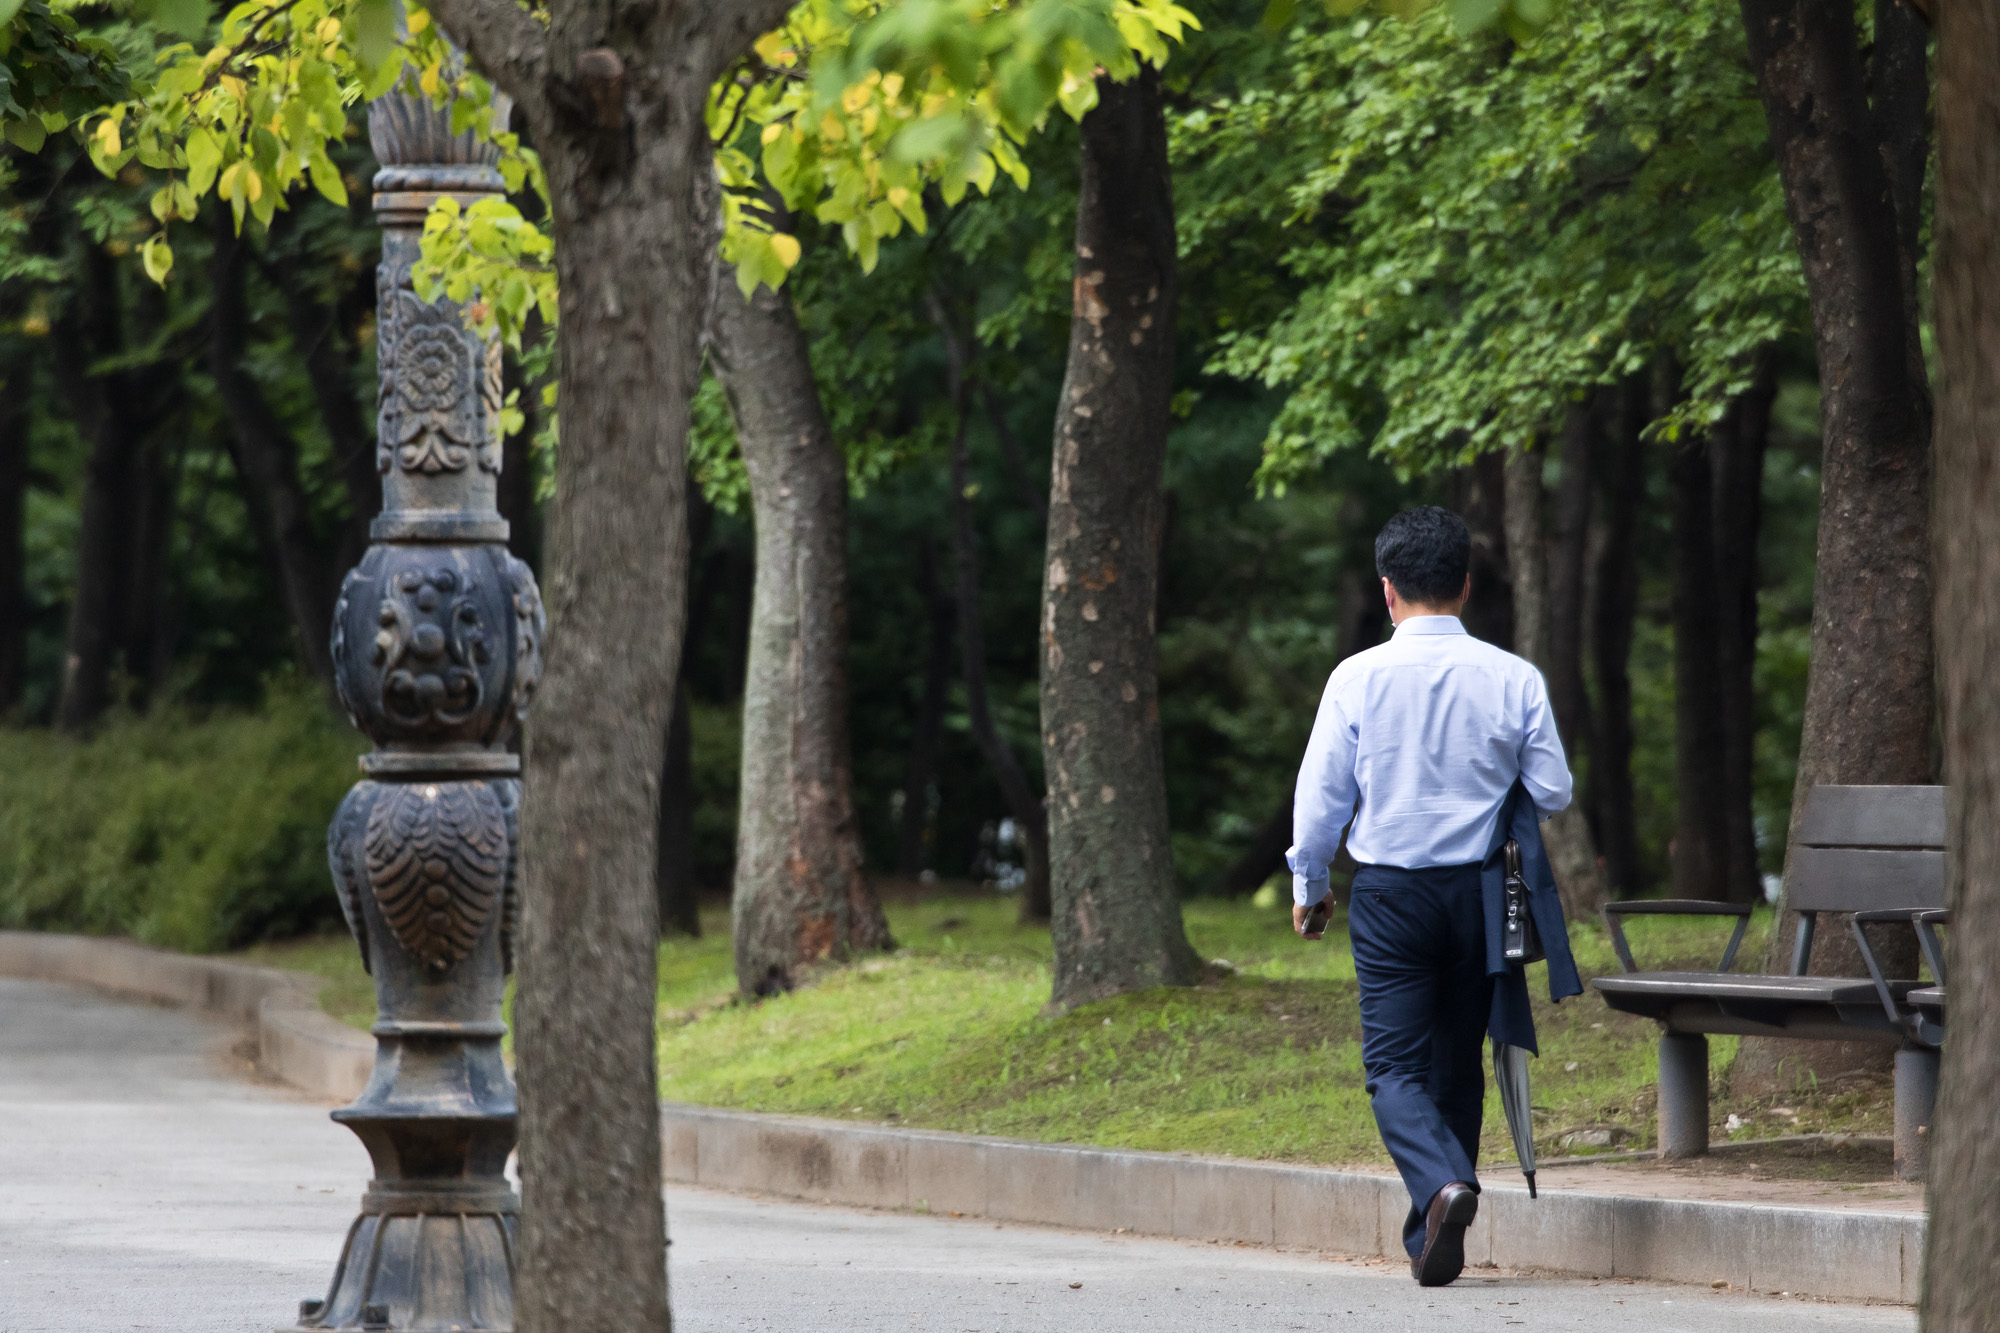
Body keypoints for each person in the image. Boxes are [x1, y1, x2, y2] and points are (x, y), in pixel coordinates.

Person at [1287, 505, 1577, 1287]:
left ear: (1387, 591)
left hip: (1390, 895)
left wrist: (1310, 885)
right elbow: (1553, 788)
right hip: (1483, 892)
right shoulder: (1513, 677)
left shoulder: (1355, 677)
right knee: (1455, 1063)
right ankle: (1432, 1228)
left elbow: (1321, 802)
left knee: (1392, 1066)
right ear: (1467, 586)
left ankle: (1446, 1190)